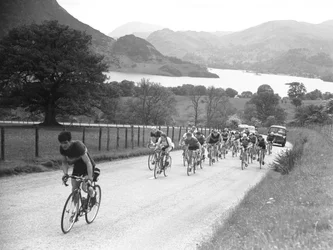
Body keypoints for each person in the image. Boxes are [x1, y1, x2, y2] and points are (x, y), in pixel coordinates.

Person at [59, 131, 96, 210]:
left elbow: (88, 162)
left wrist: (89, 178)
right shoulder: (62, 149)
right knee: (74, 189)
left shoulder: (78, 146)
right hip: (77, 167)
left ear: (70, 141)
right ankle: (75, 211)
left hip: (87, 166)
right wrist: (65, 174)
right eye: (61, 143)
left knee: (85, 187)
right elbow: (64, 162)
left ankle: (93, 197)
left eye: (65, 142)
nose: (63, 145)